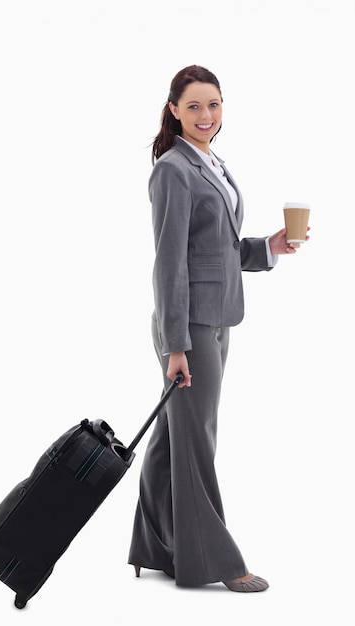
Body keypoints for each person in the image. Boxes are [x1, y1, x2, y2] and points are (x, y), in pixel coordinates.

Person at [127, 65, 309, 592]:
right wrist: (175, 346)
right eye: (194, 107)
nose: (206, 116)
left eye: (214, 105)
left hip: (218, 315)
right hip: (191, 327)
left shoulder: (211, 162)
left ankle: (154, 546)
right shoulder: (172, 170)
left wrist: (267, 249)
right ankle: (215, 562)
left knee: (174, 433)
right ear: (173, 111)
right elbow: (169, 263)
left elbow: (217, 246)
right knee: (197, 438)